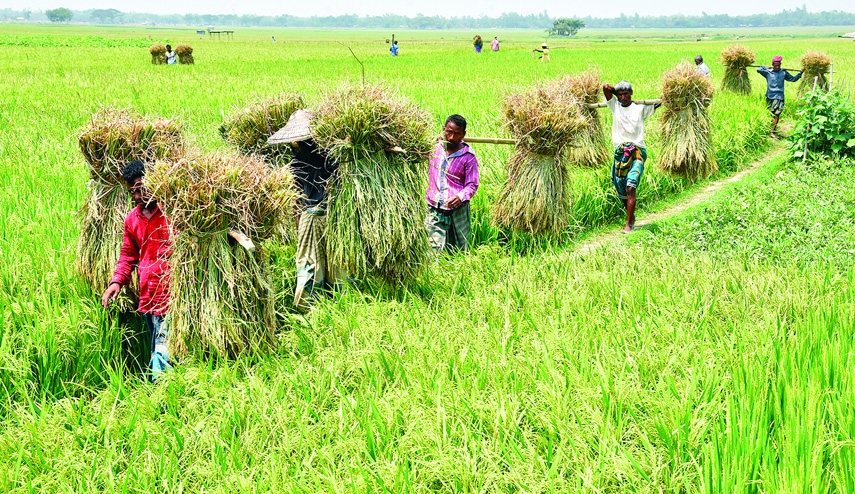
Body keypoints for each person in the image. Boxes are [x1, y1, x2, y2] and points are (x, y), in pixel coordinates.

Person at [101, 160, 172, 381]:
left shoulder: (174, 214)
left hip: (172, 295)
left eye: (141, 188)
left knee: (163, 351)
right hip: (148, 298)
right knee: (159, 347)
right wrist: (116, 282)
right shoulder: (132, 219)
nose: (137, 196)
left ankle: (160, 396)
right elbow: (128, 255)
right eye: (132, 191)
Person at [272, 110, 341, 311]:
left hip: (311, 218)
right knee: (336, 263)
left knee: (309, 264)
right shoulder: (333, 157)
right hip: (336, 217)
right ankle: (339, 304)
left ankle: (306, 308)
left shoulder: (296, 162)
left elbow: (292, 195)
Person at [603, 81, 660, 234]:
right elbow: (605, 87)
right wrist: (617, 94)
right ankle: (631, 216)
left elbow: (660, 102)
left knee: (631, 186)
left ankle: (628, 224)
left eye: (626, 94)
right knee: (620, 186)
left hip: (637, 151)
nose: (623, 97)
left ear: (632, 93)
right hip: (620, 152)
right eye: (620, 94)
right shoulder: (614, 106)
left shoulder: (640, 108)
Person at [425, 115, 479, 253]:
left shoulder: (468, 156)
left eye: (457, 134)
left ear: (463, 134)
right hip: (435, 208)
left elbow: (472, 184)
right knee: (433, 250)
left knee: (459, 250)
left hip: (457, 210)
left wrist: (460, 197)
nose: (451, 137)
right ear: (444, 130)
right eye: (449, 132)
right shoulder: (433, 148)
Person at [757, 56, 803, 137]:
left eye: (779, 65)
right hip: (770, 96)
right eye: (775, 65)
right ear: (773, 65)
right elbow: (759, 70)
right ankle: (768, 129)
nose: (777, 67)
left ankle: (772, 131)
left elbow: (793, 79)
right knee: (770, 113)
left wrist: (800, 73)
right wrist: (765, 67)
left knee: (777, 114)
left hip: (779, 97)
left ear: (780, 64)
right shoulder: (768, 72)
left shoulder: (783, 73)